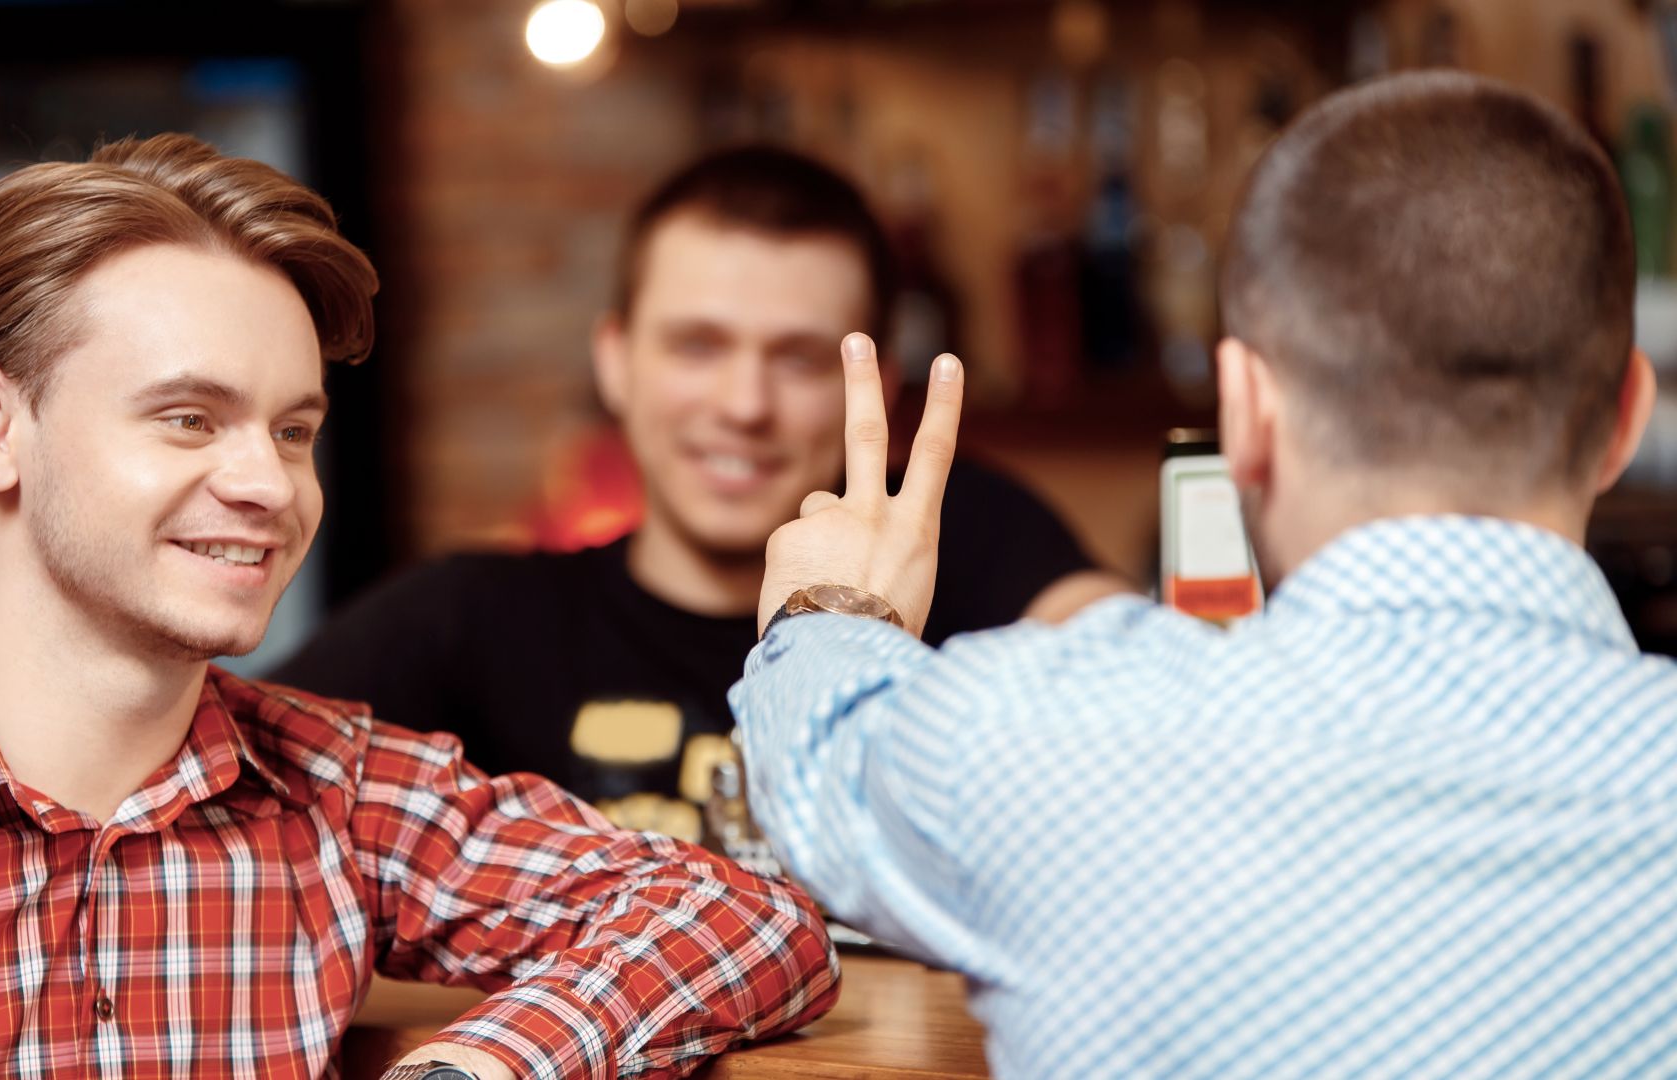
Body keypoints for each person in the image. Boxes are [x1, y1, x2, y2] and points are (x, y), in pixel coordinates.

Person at [0, 134, 836, 1080]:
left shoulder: (342, 797)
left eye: (291, 431)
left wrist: (480, 1067)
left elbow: (748, 920)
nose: (271, 488)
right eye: (188, 419)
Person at [731, 72, 1676, 1078]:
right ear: (1626, 415)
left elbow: (819, 759)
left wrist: (829, 610)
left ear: (1245, 413)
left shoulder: (1039, 743)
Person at [275, 147, 1127, 840]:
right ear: (616, 361)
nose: (743, 406)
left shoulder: (962, 534)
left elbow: (1157, 714)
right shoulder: (481, 615)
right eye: (697, 346)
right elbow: (217, 757)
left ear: (880, 388)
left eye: (798, 359)